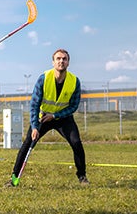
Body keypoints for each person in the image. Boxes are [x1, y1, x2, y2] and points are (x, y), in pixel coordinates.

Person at [10, 48, 89, 186]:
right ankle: (14, 179)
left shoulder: (74, 81)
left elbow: (74, 106)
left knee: (76, 143)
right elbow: (34, 104)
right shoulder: (43, 79)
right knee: (27, 144)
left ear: (68, 62)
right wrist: (35, 126)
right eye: (58, 59)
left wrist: (55, 115)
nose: (61, 61)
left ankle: (82, 176)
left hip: (63, 118)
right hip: (43, 117)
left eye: (64, 59)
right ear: (53, 62)